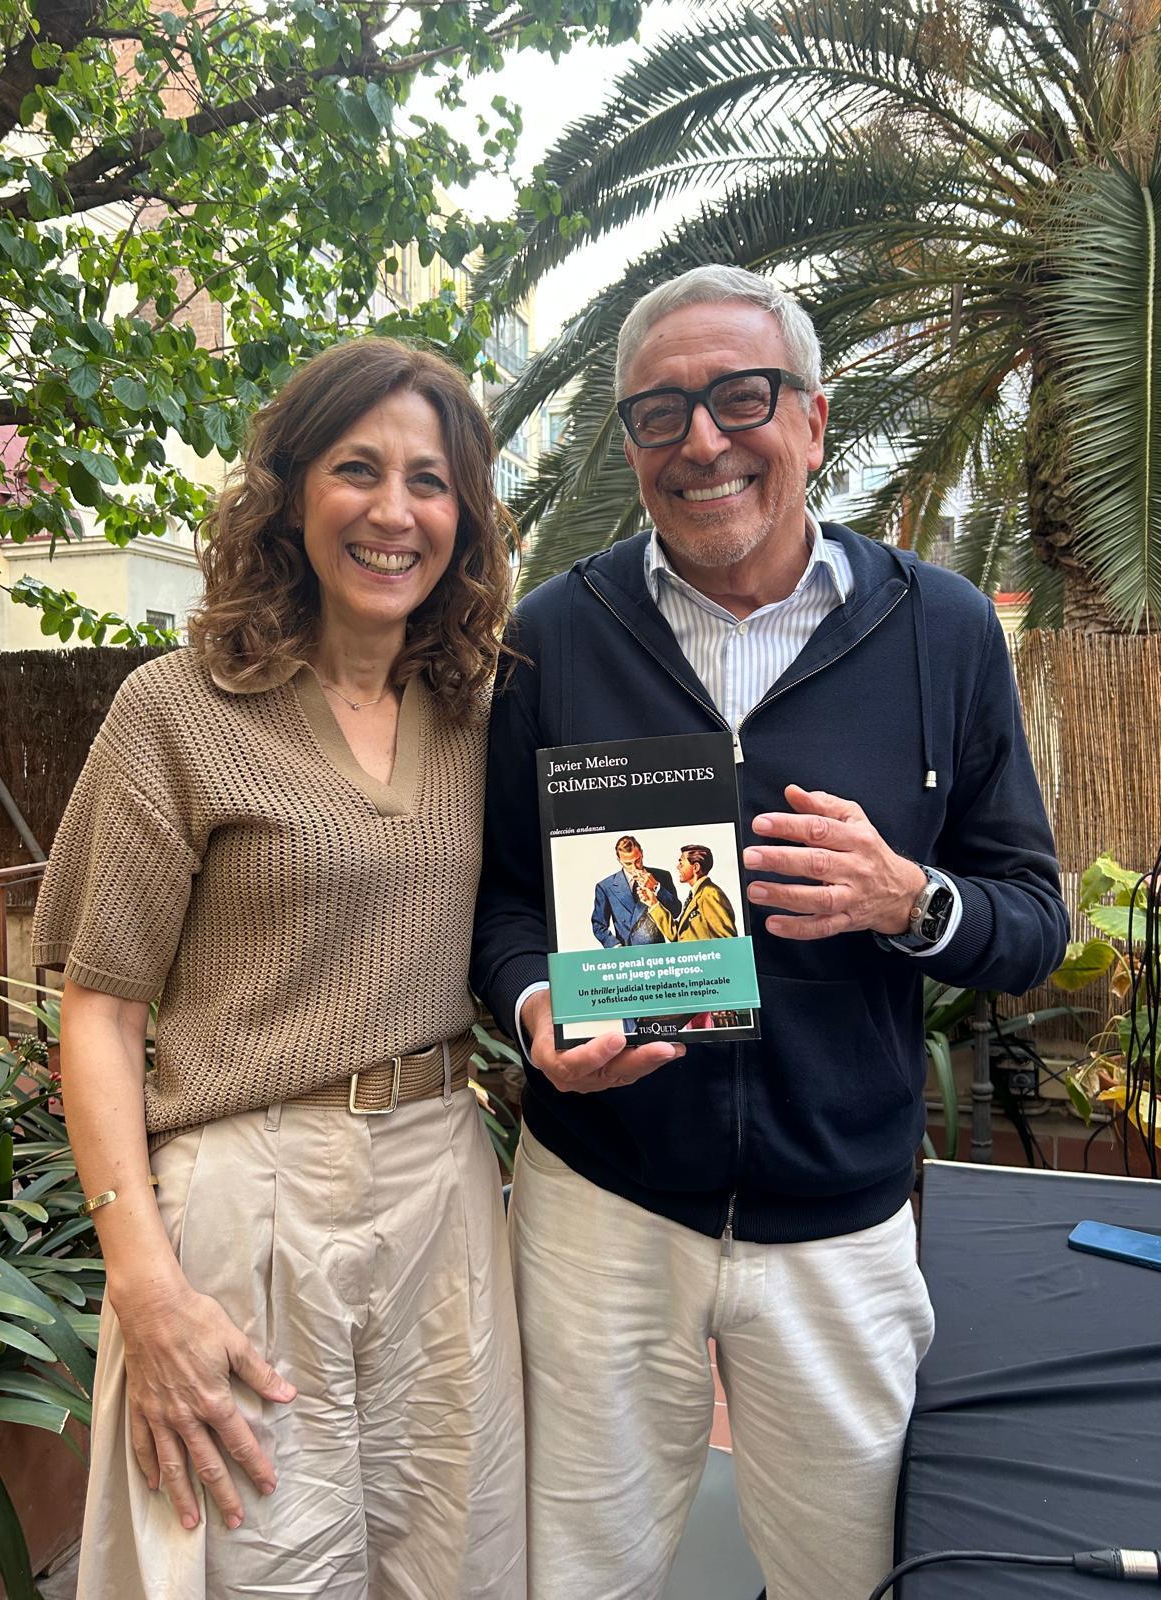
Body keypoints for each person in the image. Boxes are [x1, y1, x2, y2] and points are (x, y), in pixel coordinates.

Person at [470, 265, 1069, 1600]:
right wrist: (533, 1013)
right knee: (573, 1574)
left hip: (837, 1230)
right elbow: (503, 899)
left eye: (741, 397)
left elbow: (1030, 921)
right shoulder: (558, 636)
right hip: (602, 1204)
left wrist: (909, 901)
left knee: (846, 1578)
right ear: (627, 444)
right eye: (658, 411)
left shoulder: (946, 633)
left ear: (813, 420)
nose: (702, 441)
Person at [32, 337, 526, 1600]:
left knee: (450, 1563)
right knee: (247, 1563)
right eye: (357, 468)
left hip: (441, 1191)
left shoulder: (478, 716)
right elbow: (96, 1011)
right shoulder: (177, 710)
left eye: (429, 479)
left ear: (462, 517)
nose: (393, 510)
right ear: (291, 491)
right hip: (243, 1200)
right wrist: (142, 1286)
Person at [590, 833, 680, 947]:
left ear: (642, 853)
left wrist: (656, 887)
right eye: (628, 864)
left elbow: (676, 912)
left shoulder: (662, 876)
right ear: (619, 860)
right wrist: (615, 946)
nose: (635, 868)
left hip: (657, 951)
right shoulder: (606, 887)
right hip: (626, 952)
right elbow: (598, 925)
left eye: (637, 861)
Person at [641, 844, 737, 940]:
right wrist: (653, 903)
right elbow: (677, 935)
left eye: (681, 863)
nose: (678, 867)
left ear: (696, 867)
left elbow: (728, 940)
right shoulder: (697, 895)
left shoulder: (710, 894)